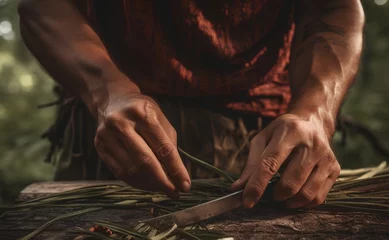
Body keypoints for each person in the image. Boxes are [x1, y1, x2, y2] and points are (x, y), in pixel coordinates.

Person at [18, 0, 364, 209]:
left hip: (257, 142)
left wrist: (315, 114)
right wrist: (106, 91)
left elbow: (334, 9)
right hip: (108, 132)